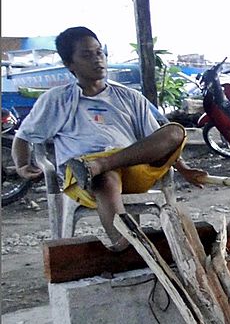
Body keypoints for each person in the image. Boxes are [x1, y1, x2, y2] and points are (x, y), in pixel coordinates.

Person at [12, 26, 207, 251]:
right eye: (87, 55)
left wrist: (184, 169)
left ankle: (100, 166)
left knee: (175, 132)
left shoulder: (130, 97)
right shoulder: (56, 99)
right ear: (70, 64)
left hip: (132, 168)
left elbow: (156, 141)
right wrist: (22, 165)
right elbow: (24, 136)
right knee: (106, 178)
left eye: (99, 53)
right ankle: (126, 247)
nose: (97, 60)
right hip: (82, 176)